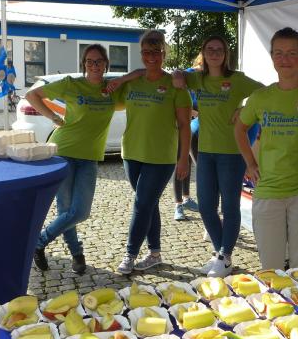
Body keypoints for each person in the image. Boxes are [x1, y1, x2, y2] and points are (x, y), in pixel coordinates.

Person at [173, 35, 263, 277]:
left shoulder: (237, 79)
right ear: (203, 52)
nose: (214, 53)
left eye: (219, 49)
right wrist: (178, 74)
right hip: (206, 152)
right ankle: (220, 253)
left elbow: (267, 92)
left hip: (232, 153)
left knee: (230, 206)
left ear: (226, 54)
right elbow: (176, 74)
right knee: (206, 206)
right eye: (210, 49)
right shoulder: (198, 78)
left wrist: (246, 109)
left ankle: (225, 255)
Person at [235, 27, 298, 270]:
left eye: (292, 53)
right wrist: (250, 163)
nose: (285, 59)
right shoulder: (260, 97)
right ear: (272, 57)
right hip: (268, 190)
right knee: (270, 268)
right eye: (279, 53)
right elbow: (239, 129)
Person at [29, 44, 117, 275]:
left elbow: (137, 79)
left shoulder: (112, 88)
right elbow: (32, 95)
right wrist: (52, 116)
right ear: (83, 64)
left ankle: (38, 242)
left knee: (80, 211)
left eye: (99, 61)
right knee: (66, 209)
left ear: (106, 64)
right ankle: (77, 253)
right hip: (64, 152)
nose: (94, 65)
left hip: (89, 158)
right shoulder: (71, 84)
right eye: (89, 61)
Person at [109, 30, 192, 274]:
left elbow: (185, 125)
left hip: (161, 157)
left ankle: (130, 254)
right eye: (147, 52)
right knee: (148, 203)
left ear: (164, 54)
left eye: (157, 51)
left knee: (142, 203)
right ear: (141, 54)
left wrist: (183, 159)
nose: (152, 57)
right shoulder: (133, 82)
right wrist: (125, 77)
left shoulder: (176, 85)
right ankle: (155, 253)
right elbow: (108, 95)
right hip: (131, 153)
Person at [173, 55, 202, 221]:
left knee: (188, 164)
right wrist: (193, 112)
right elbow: (177, 102)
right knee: (180, 163)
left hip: (196, 128)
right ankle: (178, 205)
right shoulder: (187, 75)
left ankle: (186, 198)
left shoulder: (205, 80)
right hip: (182, 127)